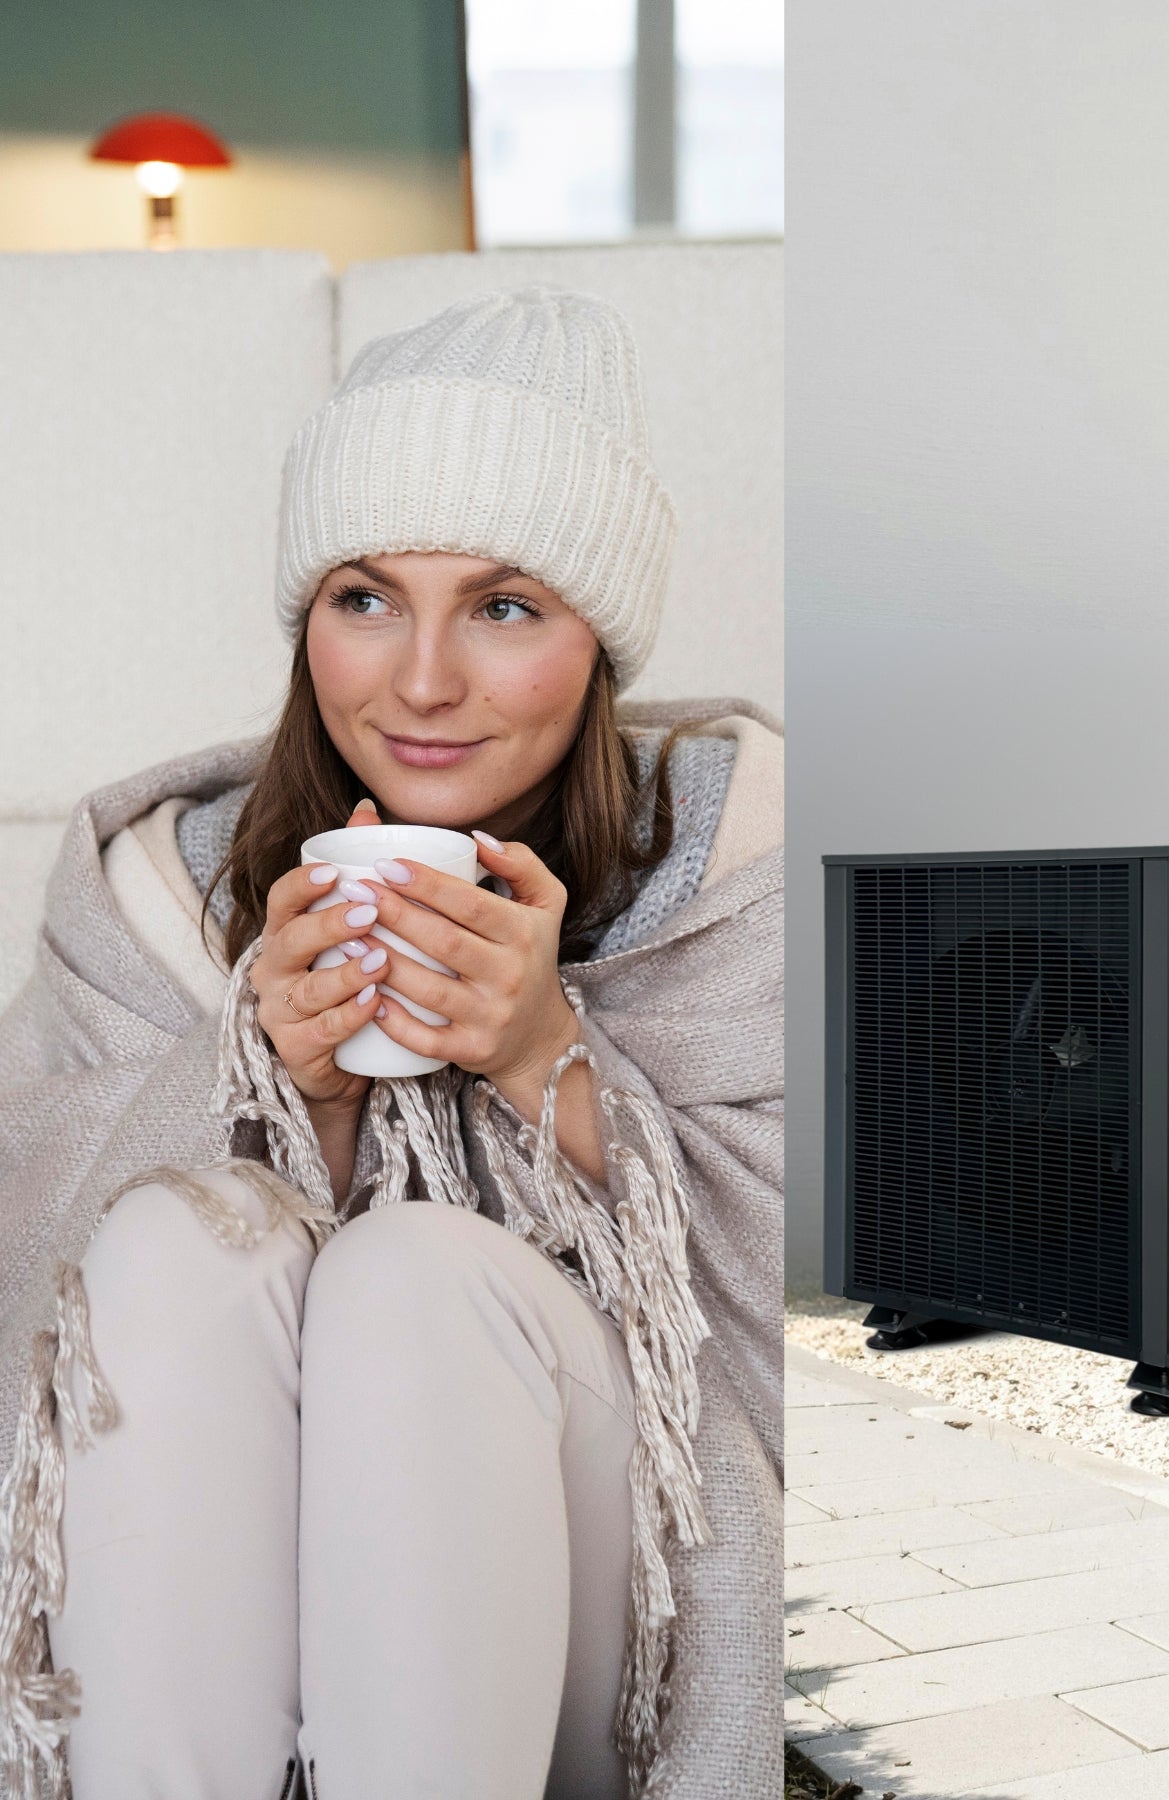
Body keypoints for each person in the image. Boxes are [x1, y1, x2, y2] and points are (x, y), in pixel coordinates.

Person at [0, 287, 783, 1800]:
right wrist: (262, 1087)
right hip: (212, 1597)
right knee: (172, 1242)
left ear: (596, 636)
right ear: (307, 622)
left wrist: (546, 1057)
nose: (421, 681)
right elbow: (29, 1250)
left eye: (503, 606)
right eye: (365, 598)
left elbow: (819, 1324)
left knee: (419, 1275)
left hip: (602, 1567)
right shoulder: (158, 885)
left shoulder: (736, 861)